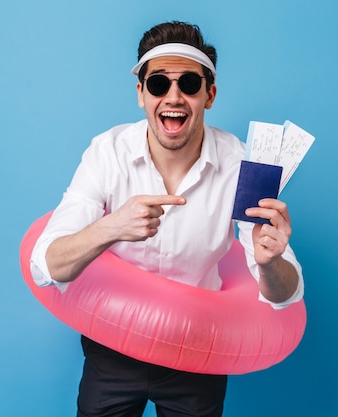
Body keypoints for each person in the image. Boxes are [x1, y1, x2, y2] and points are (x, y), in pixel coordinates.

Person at [30, 21, 304, 417]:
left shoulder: (244, 164)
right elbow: (45, 266)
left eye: (189, 84)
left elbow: (284, 298)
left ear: (209, 95)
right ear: (140, 93)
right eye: (158, 84)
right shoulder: (107, 153)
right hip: (112, 349)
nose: (173, 97)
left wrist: (271, 262)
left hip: (198, 352)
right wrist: (113, 227)